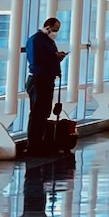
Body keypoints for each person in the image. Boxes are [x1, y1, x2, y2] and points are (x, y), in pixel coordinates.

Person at [24, 17, 66, 152]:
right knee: (37, 112)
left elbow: (47, 58)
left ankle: (39, 142)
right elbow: (37, 59)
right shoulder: (36, 40)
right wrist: (55, 57)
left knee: (44, 111)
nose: (56, 33)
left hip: (46, 79)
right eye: (54, 30)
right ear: (47, 27)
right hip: (38, 80)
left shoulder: (48, 41)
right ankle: (33, 144)